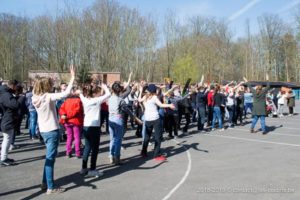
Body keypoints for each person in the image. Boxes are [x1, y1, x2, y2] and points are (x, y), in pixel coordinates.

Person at [32, 65, 75, 194]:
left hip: (44, 131)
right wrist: (72, 77)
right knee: (50, 159)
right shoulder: (48, 97)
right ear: (46, 87)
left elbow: (38, 87)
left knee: (48, 157)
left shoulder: (35, 97)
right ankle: (51, 187)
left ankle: (45, 182)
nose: (51, 86)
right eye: (49, 84)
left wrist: (44, 80)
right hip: (52, 130)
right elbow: (66, 93)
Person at [78, 84, 111, 177]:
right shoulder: (97, 100)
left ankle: (84, 168)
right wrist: (104, 86)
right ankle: (92, 169)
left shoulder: (84, 99)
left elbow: (80, 94)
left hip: (86, 126)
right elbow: (108, 94)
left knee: (87, 147)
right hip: (94, 127)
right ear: (95, 93)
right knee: (95, 149)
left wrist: (80, 92)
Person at [138, 83, 175, 161]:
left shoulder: (145, 97)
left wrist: (141, 91)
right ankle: (156, 155)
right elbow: (161, 105)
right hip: (155, 119)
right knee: (158, 137)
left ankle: (143, 152)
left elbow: (139, 100)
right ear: (154, 91)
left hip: (147, 119)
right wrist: (169, 105)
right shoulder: (154, 97)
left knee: (147, 137)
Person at [59, 87, 84, 158]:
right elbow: (76, 111)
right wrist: (67, 116)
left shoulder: (66, 100)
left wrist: (64, 115)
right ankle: (78, 152)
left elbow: (61, 109)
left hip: (67, 121)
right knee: (77, 137)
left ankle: (68, 152)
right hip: (76, 121)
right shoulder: (78, 100)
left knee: (69, 137)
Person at [0, 80, 20, 166]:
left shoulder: (5, 93)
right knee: (7, 139)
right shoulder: (6, 95)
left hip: (7, 119)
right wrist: (17, 97)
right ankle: (3, 158)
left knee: (7, 139)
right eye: (16, 86)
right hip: (7, 120)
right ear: (13, 86)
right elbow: (15, 105)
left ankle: (4, 157)